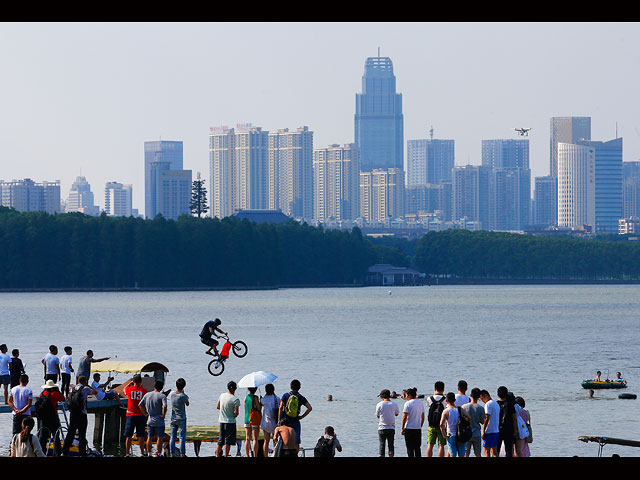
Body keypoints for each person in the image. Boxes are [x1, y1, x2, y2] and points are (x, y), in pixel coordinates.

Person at [62, 375, 97, 456]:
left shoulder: (72, 388)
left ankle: (64, 451)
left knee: (70, 433)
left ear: (78, 381)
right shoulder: (85, 388)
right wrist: (87, 385)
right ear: (85, 381)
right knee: (82, 434)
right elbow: (95, 392)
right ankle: (82, 453)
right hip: (82, 414)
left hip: (73, 413)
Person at [279, 379, 312, 454]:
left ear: (290, 386)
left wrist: (279, 419)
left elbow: (280, 407)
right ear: (299, 387)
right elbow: (310, 408)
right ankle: (295, 455)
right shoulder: (300, 397)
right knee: (296, 441)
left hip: (285, 421)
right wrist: (302, 416)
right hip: (296, 421)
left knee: (284, 439)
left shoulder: (285, 395)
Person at [36, 379, 65, 456]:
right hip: (53, 417)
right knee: (56, 436)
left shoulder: (41, 394)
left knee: (42, 436)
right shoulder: (54, 394)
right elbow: (63, 398)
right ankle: (57, 453)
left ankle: (41, 452)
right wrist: (58, 391)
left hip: (43, 418)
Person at [139, 380, 168, 457]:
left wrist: (144, 413)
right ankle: (159, 453)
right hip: (159, 419)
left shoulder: (147, 394)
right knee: (160, 437)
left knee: (149, 437)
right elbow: (165, 406)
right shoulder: (162, 396)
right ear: (161, 388)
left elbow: (140, 405)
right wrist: (163, 415)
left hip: (150, 419)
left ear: (154, 386)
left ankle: (149, 453)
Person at [123, 373, 148, 457]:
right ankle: (141, 453)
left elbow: (124, 389)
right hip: (141, 415)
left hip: (131, 415)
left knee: (129, 435)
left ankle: (127, 453)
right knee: (141, 435)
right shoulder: (144, 391)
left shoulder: (129, 389)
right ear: (141, 381)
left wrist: (130, 383)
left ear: (133, 381)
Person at [440, 392, 471, 457]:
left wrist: (444, 435)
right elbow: (469, 417)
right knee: (461, 455)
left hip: (451, 434)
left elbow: (441, 424)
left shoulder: (446, 411)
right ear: (455, 400)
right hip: (461, 434)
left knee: (453, 455)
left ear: (446, 400)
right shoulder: (460, 409)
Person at [217, 380, 240, 457]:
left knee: (220, 441)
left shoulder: (222, 395)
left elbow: (218, 407)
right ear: (235, 389)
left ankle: (217, 455)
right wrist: (232, 415)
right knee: (228, 442)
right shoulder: (235, 399)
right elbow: (236, 413)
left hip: (222, 421)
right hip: (230, 422)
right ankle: (226, 456)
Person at [461, 387, 485, 457]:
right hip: (476, 433)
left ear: (471, 395)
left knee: (466, 454)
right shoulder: (480, 408)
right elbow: (483, 421)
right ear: (479, 397)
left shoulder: (464, 407)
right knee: (478, 454)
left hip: (466, 433)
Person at [168, 377, 189, 457]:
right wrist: (183, 392)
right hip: (181, 418)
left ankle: (172, 453)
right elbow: (187, 404)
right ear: (184, 386)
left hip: (173, 418)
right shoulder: (183, 396)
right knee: (182, 437)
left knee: (173, 437)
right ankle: (182, 453)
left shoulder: (172, 394)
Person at [401, 387, 424, 457]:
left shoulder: (407, 403)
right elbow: (423, 416)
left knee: (410, 448)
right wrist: (420, 425)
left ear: (410, 395)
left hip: (409, 428)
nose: (406, 396)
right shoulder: (420, 403)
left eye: (406, 395)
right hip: (417, 428)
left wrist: (402, 428)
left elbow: (404, 417)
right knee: (417, 448)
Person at [376, 388, 399, 457]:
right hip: (391, 427)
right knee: (391, 445)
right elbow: (396, 414)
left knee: (382, 445)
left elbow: (378, 415)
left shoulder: (379, 404)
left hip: (382, 427)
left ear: (382, 396)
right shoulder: (394, 404)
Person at [426, 381, 447, 457]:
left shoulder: (429, 398)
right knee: (441, 445)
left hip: (431, 425)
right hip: (442, 425)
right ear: (443, 389)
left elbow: (429, 406)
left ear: (435, 388)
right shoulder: (445, 399)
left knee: (430, 445)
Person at [497, 386, 517, 457]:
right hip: (509, 429)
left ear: (497, 394)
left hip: (497, 429)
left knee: (496, 449)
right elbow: (514, 419)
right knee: (508, 449)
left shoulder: (496, 404)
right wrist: (515, 430)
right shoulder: (510, 405)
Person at [260, 383, 280, 457]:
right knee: (275, 441)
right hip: (275, 422)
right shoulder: (276, 398)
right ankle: (275, 455)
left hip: (266, 422)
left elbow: (261, 403)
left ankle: (266, 456)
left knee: (266, 441)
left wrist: (261, 397)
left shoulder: (263, 399)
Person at [479, 389, 500, 457]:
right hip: (496, 431)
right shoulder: (496, 404)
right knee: (494, 451)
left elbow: (487, 418)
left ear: (486, 395)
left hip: (489, 431)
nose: (482, 401)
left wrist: (483, 431)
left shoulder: (488, 404)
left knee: (486, 450)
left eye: (482, 399)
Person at [244, 386, 262, 457]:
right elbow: (259, 408)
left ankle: (247, 455)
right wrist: (260, 403)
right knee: (255, 439)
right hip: (254, 418)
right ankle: (255, 455)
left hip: (246, 418)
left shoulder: (245, 397)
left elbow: (245, 407)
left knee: (247, 438)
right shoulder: (255, 397)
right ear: (256, 389)